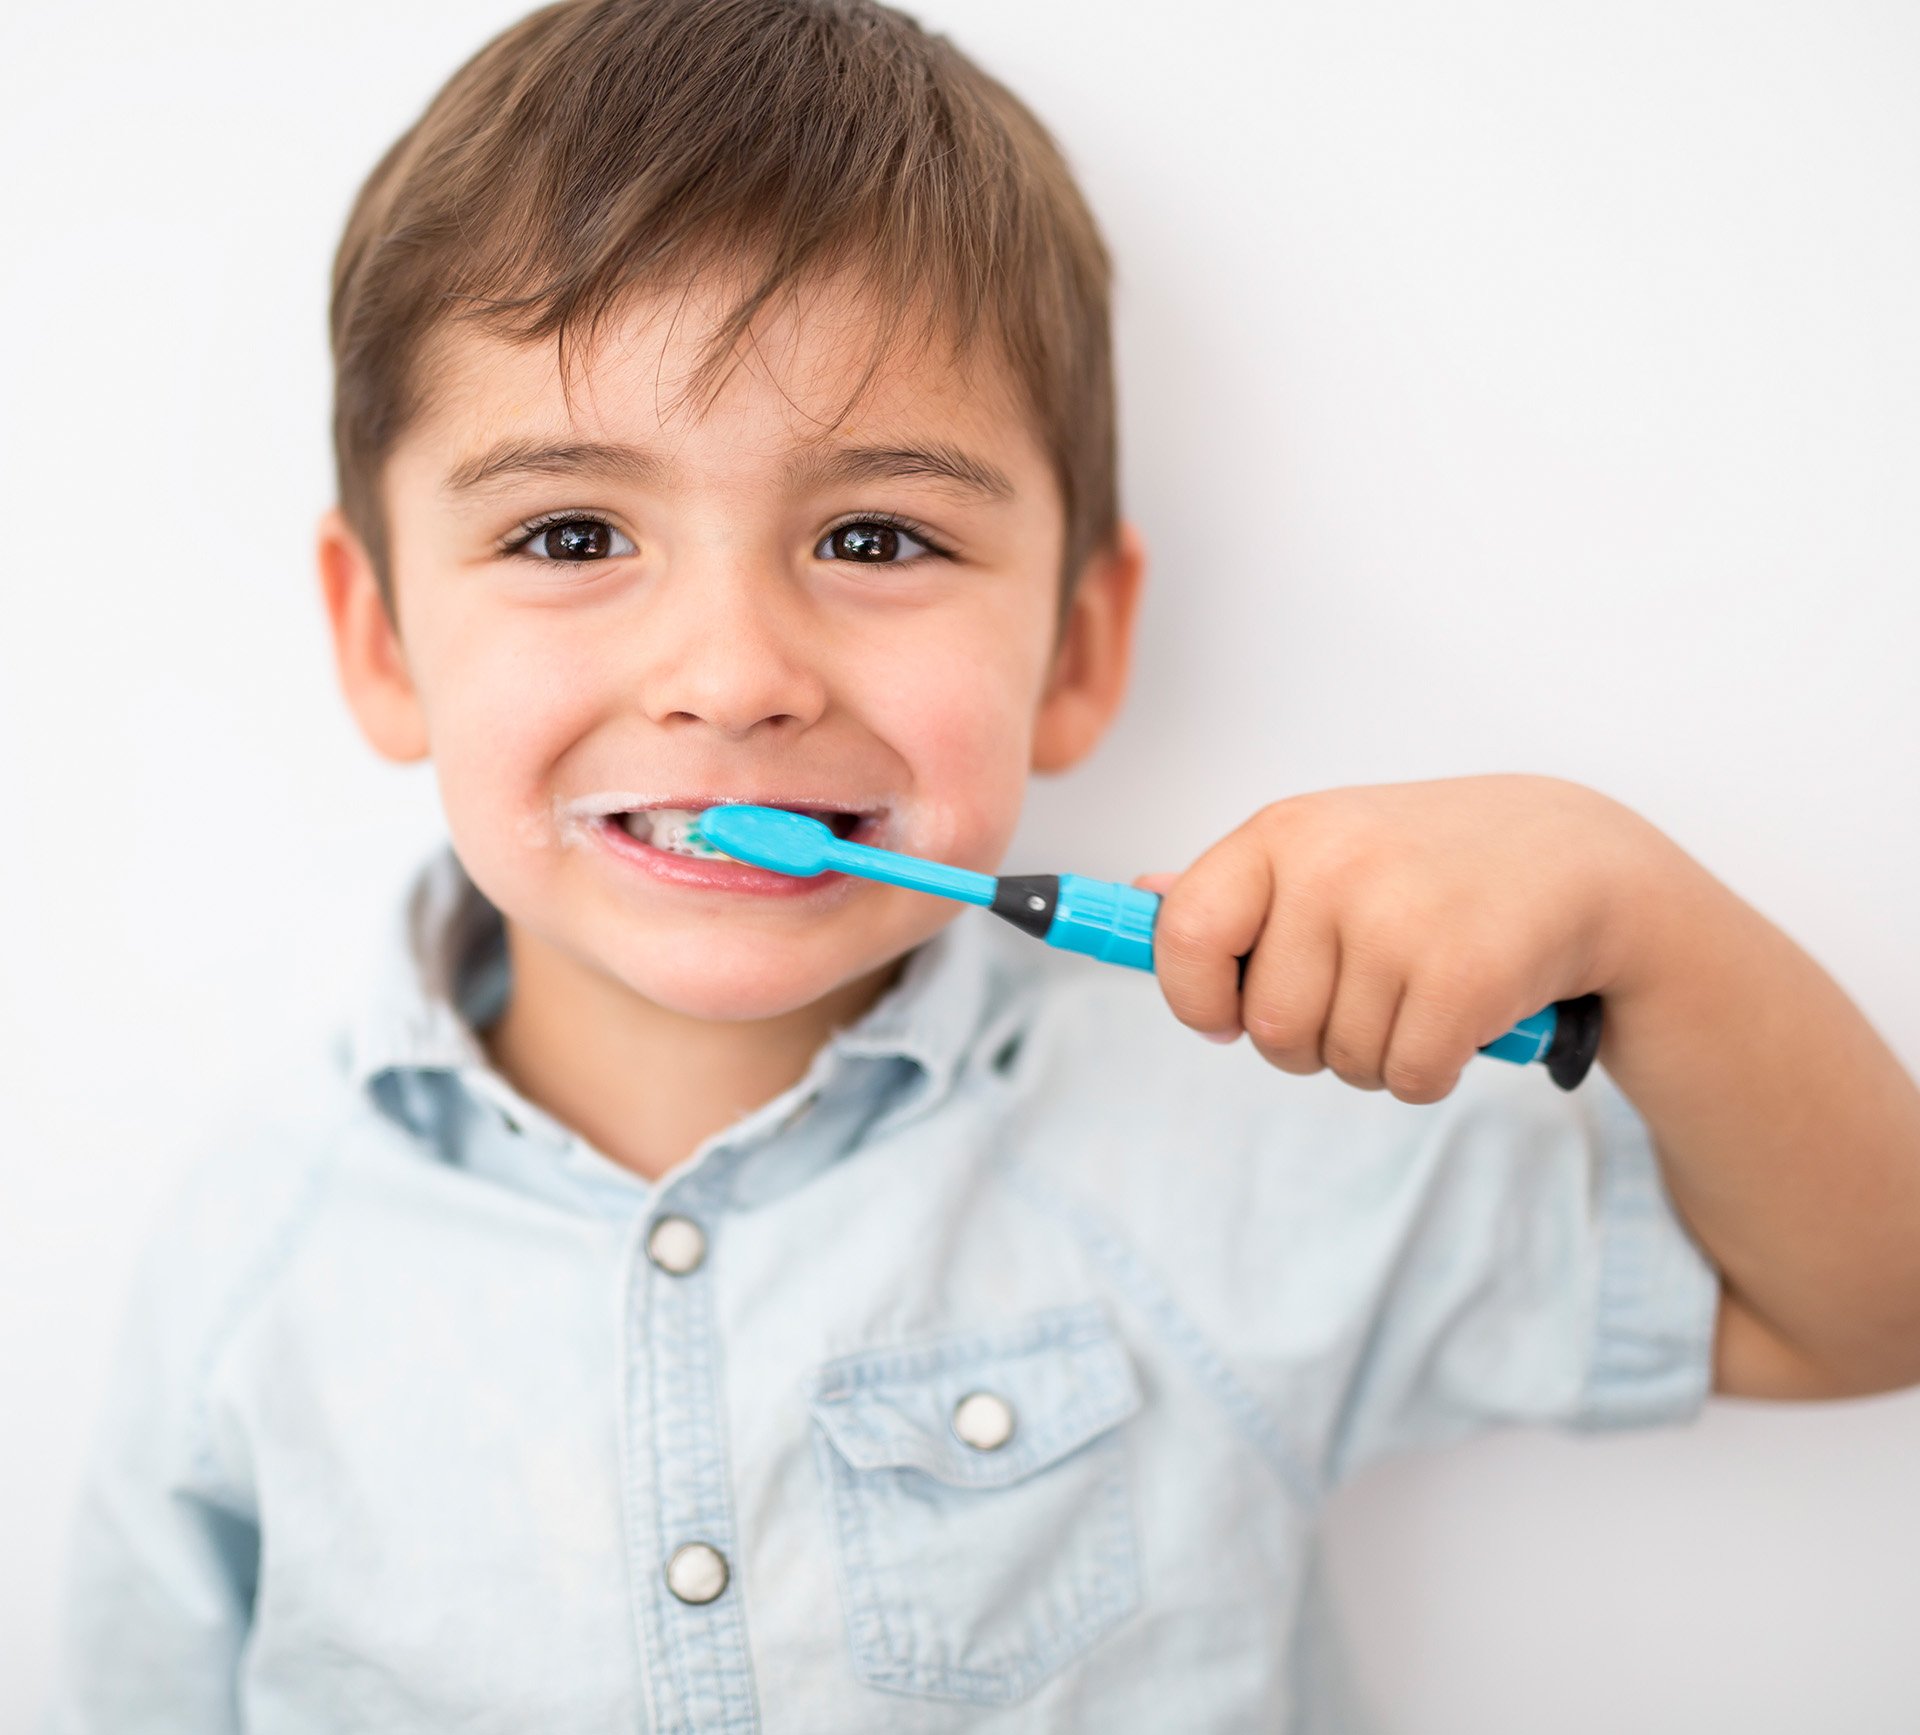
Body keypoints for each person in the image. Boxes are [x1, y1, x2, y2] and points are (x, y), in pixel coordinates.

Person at [43, 0, 1920, 1728]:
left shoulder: (1234, 1143)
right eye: (567, 531)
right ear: (380, 642)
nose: (731, 678)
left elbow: (1866, 1307)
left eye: (871, 538)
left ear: (1079, 650)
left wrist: (1640, 913)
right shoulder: (253, 1267)